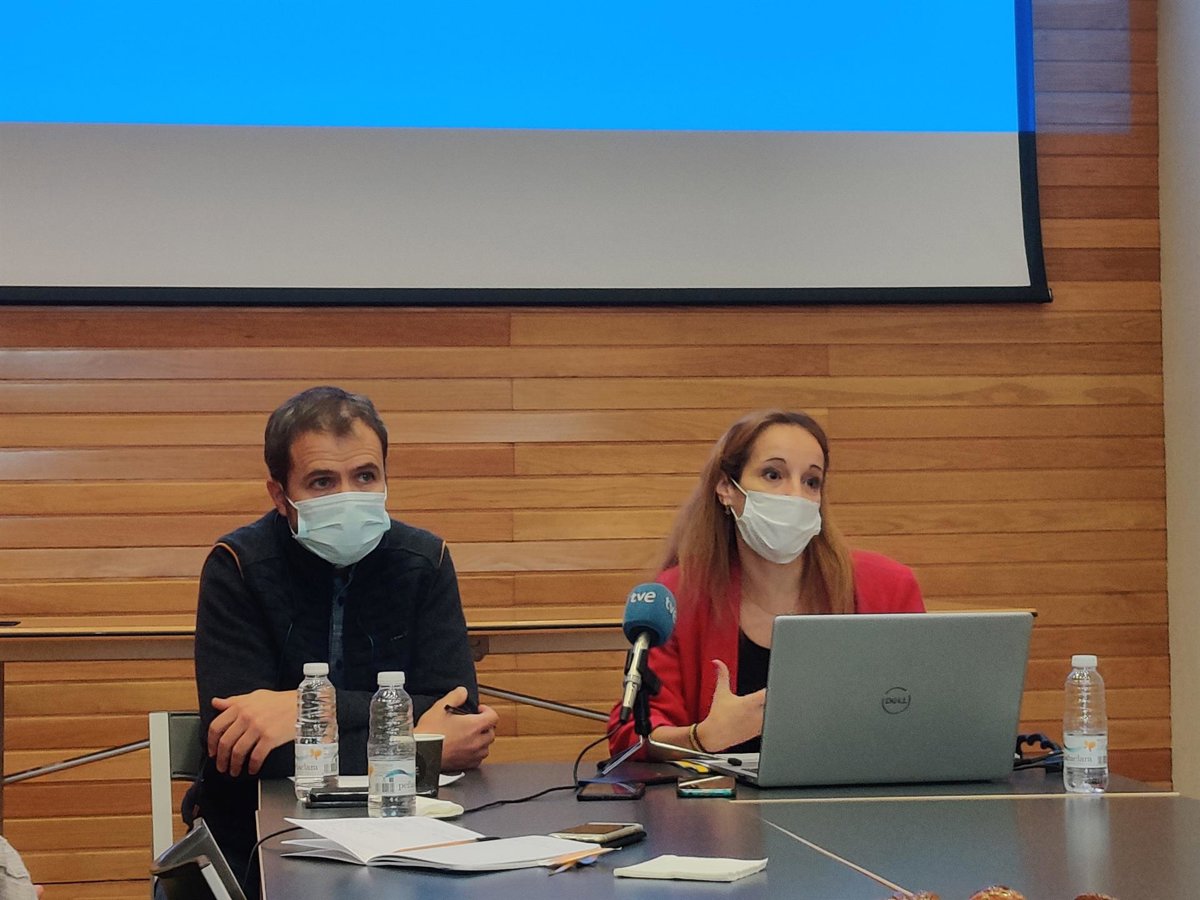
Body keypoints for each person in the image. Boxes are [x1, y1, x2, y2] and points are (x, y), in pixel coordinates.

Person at [187, 386, 498, 896]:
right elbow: (247, 753)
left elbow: (459, 720)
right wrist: (414, 747)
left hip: (411, 834)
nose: (348, 496)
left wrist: (304, 711)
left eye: (365, 476)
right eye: (322, 482)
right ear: (280, 496)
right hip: (263, 842)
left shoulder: (425, 561)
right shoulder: (237, 566)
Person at [607, 409, 924, 759]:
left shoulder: (888, 587)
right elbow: (631, 737)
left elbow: (926, 713)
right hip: (724, 794)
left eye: (811, 481)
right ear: (727, 488)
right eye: (773, 475)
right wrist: (702, 737)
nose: (795, 495)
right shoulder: (680, 596)